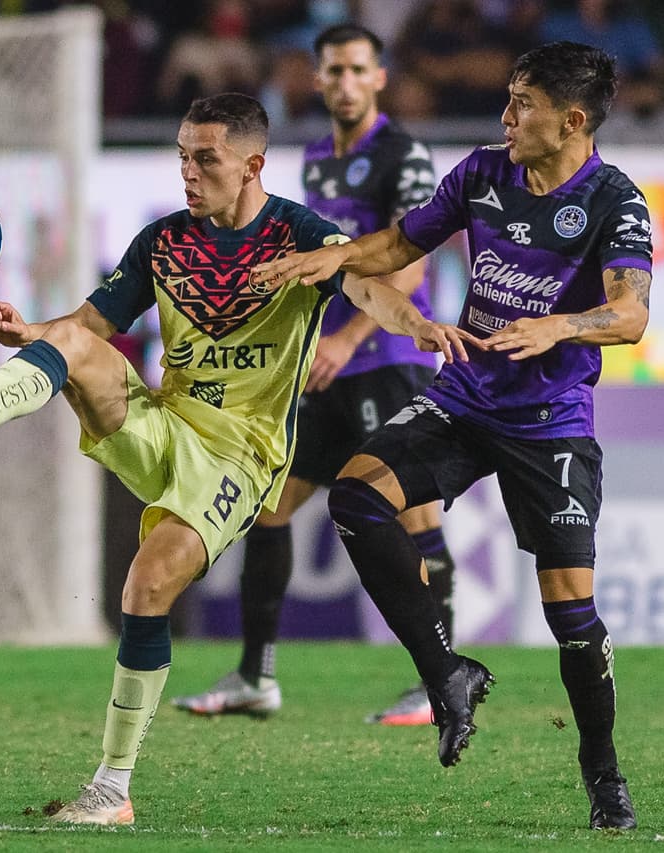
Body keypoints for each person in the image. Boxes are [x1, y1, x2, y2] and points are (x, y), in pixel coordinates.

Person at [0, 92, 473, 826]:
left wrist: (415, 324)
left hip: (240, 454)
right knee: (73, 345)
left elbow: (367, 289)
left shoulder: (299, 236)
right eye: (181, 158)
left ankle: (112, 788)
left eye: (206, 159)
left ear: (252, 165)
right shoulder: (163, 242)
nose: (188, 173)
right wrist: (30, 331)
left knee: (146, 585)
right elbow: (91, 323)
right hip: (166, 422)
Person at [252, 41, 651, 831]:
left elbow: (631, 313)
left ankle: (602, 771)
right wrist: (333, 257)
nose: (507, 117)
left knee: (570, 613)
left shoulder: (615, 200)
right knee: (356, 496)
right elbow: (403, 243)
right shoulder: (482, 174)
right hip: (464, 398)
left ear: (572, 121)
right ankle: (446, 672)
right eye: (509, 99)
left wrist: (561, 326)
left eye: (523, 105)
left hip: (550, 422)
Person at [170, 23, 459, 728]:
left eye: (358, 69)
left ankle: (439, 682)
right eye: (334, 70)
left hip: (387, 361)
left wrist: (352, 337)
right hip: (326, 366)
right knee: (268, 506)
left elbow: (410, 262)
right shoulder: (317, 159)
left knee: (414, 519)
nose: (345, 83)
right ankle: (255, 676)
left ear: (379, 78)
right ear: (318, 77)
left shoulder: (402, 153)